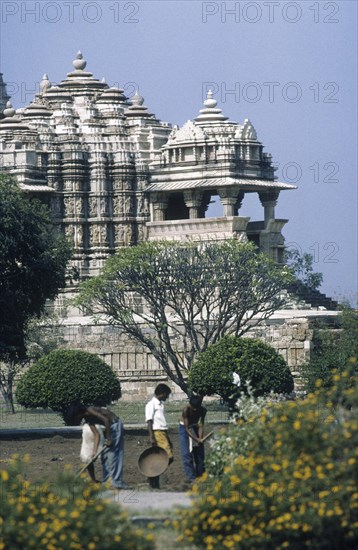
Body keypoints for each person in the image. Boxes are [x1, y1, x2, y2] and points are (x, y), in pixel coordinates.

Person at [64, 401, 127, 489]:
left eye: (75, 417)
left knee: (115, 455)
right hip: (109, 429)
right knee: (105, 456)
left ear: (78, 413)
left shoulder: (90, 410)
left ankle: (117, 482)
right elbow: (96, 434)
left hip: (115, 425)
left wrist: (109, 438)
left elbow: (106, 420)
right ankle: (106, 482)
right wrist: (94, 452)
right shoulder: (87, 418)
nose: (76, 419)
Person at [145, 383, 173, 488]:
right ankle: (152, 476)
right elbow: (149, 421)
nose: (167, 397)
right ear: (162, 394)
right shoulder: (151, 405)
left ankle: (154, 477)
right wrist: (151, 437)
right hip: (157, 432)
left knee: (165, 457)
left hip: (163, 432)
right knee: (168, 457)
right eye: (166, 395)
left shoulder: (160, 405)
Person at [179, 395, 207, 483]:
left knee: (200, 454)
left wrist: (200, 438)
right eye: (193, 408)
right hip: (184, 429)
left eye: (196, 408)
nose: (195, 410)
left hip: (195, 427)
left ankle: (201, 477)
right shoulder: (186, 410)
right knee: (186, 455)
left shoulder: (203, 410)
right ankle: (191, 479)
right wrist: (196, 439)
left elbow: (201, 425)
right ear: (190, 404)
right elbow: (187, 429)